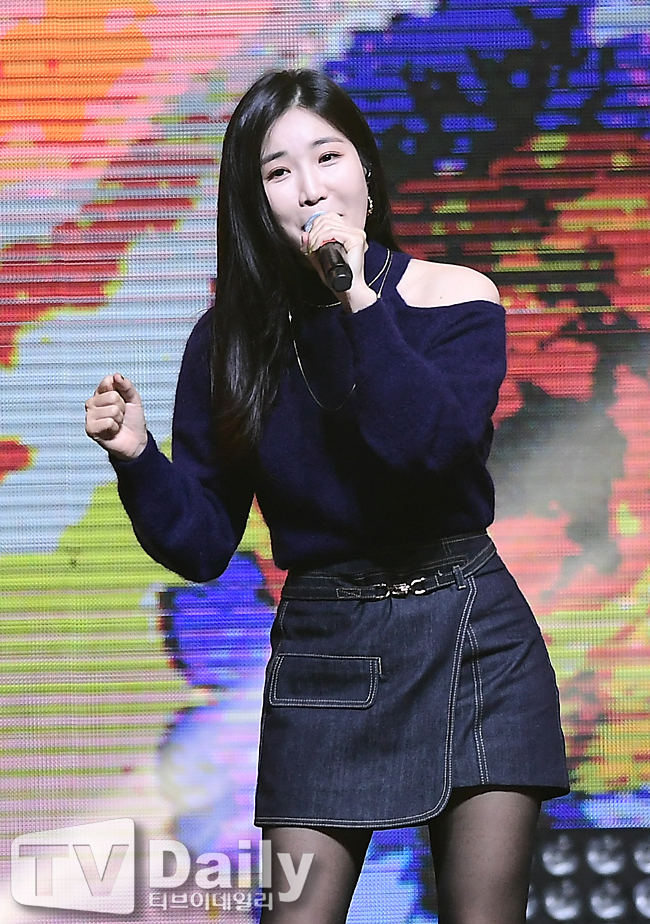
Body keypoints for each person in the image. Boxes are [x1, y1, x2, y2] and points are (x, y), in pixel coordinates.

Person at [85, 68, 568, 923]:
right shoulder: (227, 344)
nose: (310, 188)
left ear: (366, 173)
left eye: (328, 157)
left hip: (474, 637)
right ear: (255, 202)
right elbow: (202, 545)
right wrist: (139, 460)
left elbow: (423, 451)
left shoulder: (457, 298)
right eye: (278, 172)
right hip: (325, 652)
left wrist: (357, 295)